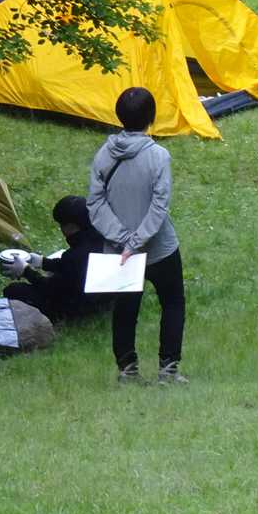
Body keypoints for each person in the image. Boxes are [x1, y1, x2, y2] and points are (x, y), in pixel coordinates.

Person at [87, 87, 187, 384]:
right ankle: (168, 370)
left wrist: (122, 239)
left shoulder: (104, 154)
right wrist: (137, 241)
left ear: (119, 116)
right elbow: (159, 205)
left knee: (125, 307)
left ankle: (127, 370)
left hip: (119, 250)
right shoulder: (158, 156)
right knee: (173, 302)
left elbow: (95, 203)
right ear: (152, 117)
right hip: (159, 247)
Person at [0, 195, 110, 324]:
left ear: (71, 226)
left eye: (62, 225)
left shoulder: (75, 255)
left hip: (78, 307)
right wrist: (42, 262)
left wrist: (26, 271)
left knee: (14, 290)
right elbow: (72, 267)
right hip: (103, 299)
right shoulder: (103, 238)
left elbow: (50, 289)